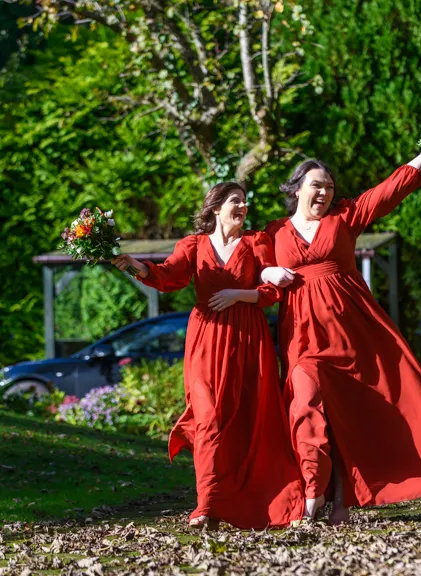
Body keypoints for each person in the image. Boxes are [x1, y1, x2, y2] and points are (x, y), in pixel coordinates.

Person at [262, 137, 421, 524]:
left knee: (350, 414)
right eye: (316, 185)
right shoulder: (272, 233)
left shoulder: (346, 217)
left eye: (329, 186)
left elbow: (391, 188)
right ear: (296, 188)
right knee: (304, 401)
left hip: (353, 331)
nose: (323, 192)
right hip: (303, 336)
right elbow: (243, 265)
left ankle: (340, 500)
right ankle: (311, 491)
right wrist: (266, 271)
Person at [113, 182, 304, 529]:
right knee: (208, 418)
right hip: (205, 338)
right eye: (236, 201)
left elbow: (271, 290)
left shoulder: (256, 242)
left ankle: (253, 500)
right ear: (216, 207)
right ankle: (207, 504)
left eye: (245, 202)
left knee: (247, 416)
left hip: (248, 337)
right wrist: (134, 266)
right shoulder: (193, 244)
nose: (243, 206)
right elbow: (169, 276)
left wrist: (236, 294)